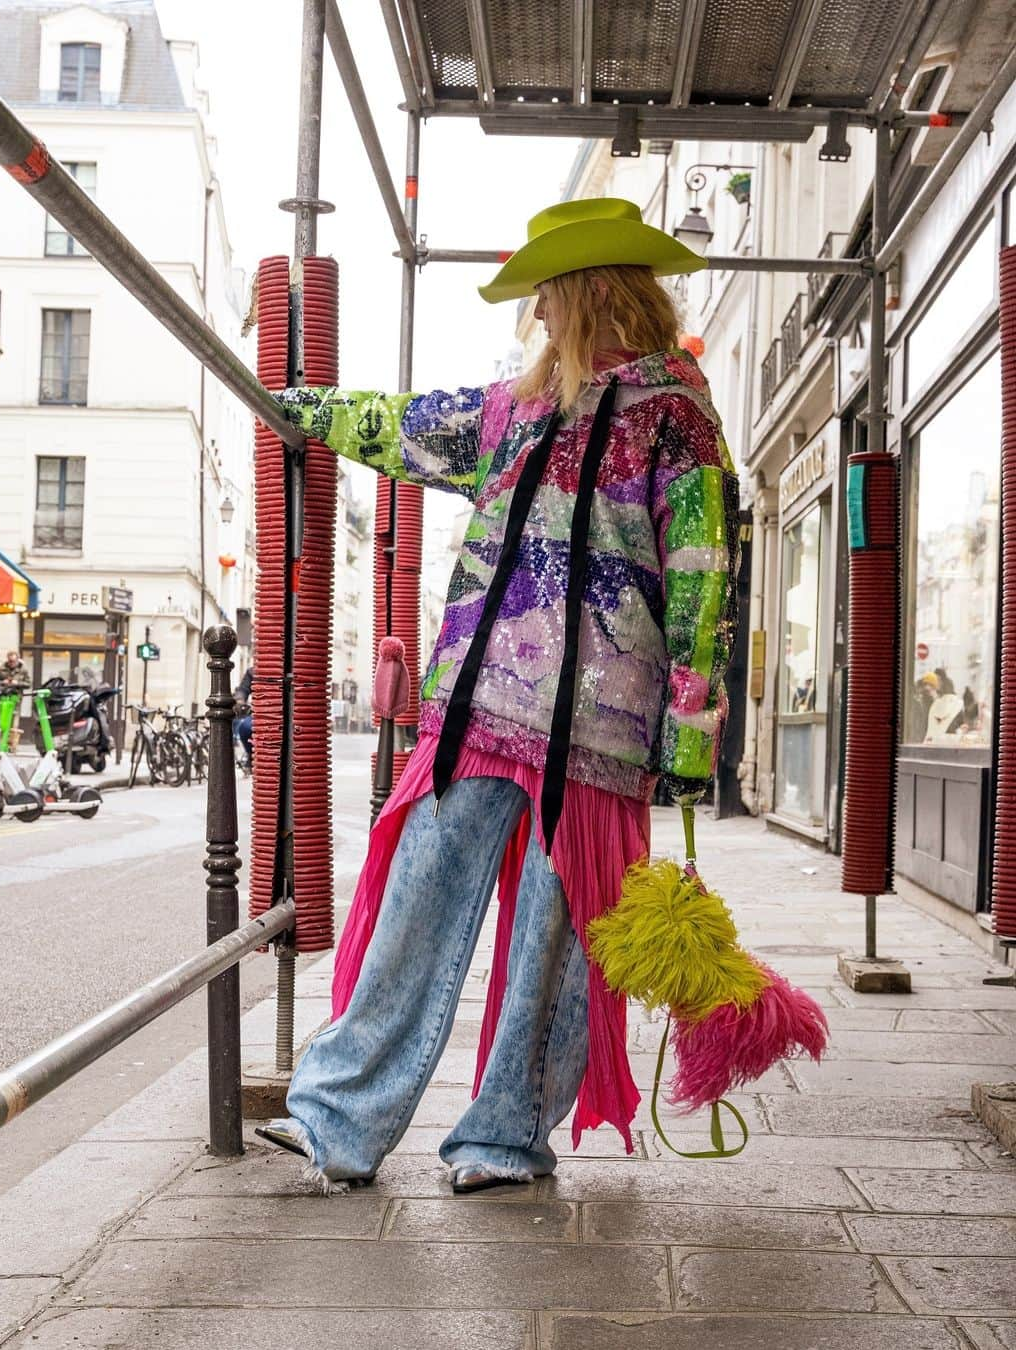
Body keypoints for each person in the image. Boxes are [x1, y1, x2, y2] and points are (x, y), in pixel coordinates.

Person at [260, 197, 737, 1195]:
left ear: (590, 295)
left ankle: (506, 1137)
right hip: (475, 716)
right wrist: (297, 406)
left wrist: (690, 746)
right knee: (417, 905)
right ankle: (339, 1119)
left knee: (553, 949)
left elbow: (700, 582)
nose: (538, 321)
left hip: (601, 736)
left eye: (547, 302)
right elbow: (402, 424)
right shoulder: (514, 410)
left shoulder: (679, 421)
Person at [234, 665, 253, 769]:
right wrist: (240, 700)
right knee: (244, 727)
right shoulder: (253, 671)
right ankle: (251, 755)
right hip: (261, 714)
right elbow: (243, 689)